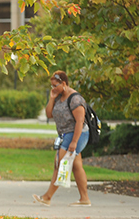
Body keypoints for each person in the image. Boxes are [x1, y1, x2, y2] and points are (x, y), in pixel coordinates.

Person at [33, 71, 92, 207]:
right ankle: (84, 199)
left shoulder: (75, 99)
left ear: (64, 83)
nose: (53, 88)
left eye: (55, 85)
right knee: (76, 166)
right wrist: (52, 97)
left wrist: (74, 142)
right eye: (51, 85)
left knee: (59, 163)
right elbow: (49, 114)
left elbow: (80, 121)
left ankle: (47, 197)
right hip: (65, 134)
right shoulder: (58, 96)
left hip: (78, 133)